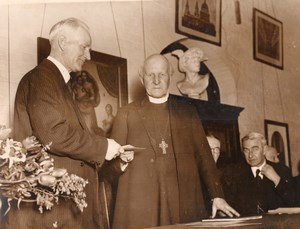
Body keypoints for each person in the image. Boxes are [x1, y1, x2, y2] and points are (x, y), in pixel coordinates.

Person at [12, 17, 132, 229]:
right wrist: (104, 146)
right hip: (53, 209)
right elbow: (55, 135)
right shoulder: (42, 78)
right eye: (84, 47)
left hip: (65, 207)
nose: (88, 55)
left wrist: (115, 160)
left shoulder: (59, 83)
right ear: (62, 42)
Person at [108, 54, 239, 229]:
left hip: (183, 200)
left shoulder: (187, 112)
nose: (156, 81)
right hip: (142, 204)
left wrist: (217, 195)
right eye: (150, 75)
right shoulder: (126, 114)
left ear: (170, 76)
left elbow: (204, 157)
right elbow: (109, 168)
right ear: (142, 77)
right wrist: (122, 161)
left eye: (161, 75)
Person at [222, 132, 297, 215]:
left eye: (255, 149)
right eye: (246, 150)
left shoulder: (282, 170)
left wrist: (277, 179)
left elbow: (294, 202)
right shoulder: (234, 173)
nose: (250, 155)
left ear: (264, 149)